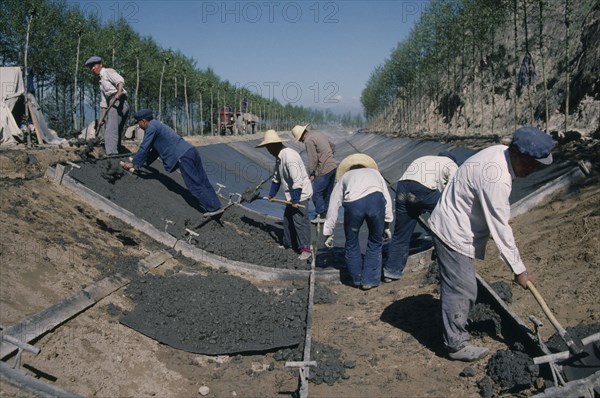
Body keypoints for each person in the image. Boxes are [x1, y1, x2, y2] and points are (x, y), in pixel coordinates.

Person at [428, 126, 554, 362]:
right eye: (531, 164)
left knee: (458, 286)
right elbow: (500, 229)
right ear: (518, 154)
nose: (532, 170)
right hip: (452, 230)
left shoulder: (500, 153)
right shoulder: (496, 177)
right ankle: (455, 344)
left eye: (537, 167)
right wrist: (519, 270)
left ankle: (447, 319)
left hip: (454, 223)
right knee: (464, 288)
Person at [121, 109, 223, 217]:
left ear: (143, 121)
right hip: (190, 151)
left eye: (138, 122)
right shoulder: (157, 125)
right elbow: (155, 151)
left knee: (194, 184)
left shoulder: (150, 128)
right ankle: (216, 206)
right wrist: (141, 163)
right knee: (202, 180)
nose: (138, 125)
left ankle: (213, 208)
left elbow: (144, 147)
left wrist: (134, 164)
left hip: (182, 156)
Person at [383, 151, 458, 282]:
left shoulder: (425, 157)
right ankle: (449, 251)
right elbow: (455, 188)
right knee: (449, 214)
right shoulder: (450, 164)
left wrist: (420, 205)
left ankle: (391, 272)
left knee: (401, 234)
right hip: (422, 190)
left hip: (402, 189)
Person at [323, 154, 393, 290]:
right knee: (375, 241)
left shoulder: (344, 177)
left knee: (351, 241)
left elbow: (333, 205)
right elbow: (387, 199)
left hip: (354, 205)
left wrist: (328, 232)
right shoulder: (375, 173)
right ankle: (369, 280)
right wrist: (387, 224)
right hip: (375, 202)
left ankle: (356, 278)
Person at [256, 129, 313, 261]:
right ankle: (288, 244)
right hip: (293, 194)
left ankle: (305, 249)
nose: (268, 150)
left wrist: (296, 199)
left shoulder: (289, 156)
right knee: (287, 219)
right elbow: (277, 178)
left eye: (268, 147)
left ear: (273, 146)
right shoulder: (279, 158)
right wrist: (271, 194)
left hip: (300, 193)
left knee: (300, 221)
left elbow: (297, 180)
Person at [292, 124, 337, 223]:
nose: (300, 141)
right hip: (333, 165)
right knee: (327, 193)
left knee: (316, 192)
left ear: (302, 135)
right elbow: (332, 146)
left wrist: (312, 173)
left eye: (299, 139)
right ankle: (326, 214)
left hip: (324, 168)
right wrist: (328, 157)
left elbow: (312, 159)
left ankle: (322, 214)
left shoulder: (308, 141)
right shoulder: (318, 133)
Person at [84, 56, 129, 156]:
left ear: (100, 65)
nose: (92, 69)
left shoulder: (108, 72)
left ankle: (112, 154)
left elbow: (120, 80)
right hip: (114, 102)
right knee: (116, 130)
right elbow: (104, 103)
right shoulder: (101, 82)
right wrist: (101, 118)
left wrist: (119, 92)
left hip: (119, 101)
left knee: (110, 131)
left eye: (93, 66)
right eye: (90, 68)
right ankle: (116, 152)